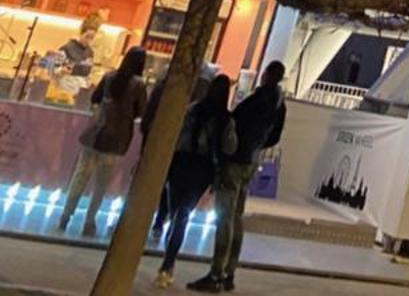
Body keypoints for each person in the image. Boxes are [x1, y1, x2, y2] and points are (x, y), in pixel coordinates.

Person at [188, 60, 285, 293]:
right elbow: (275, 137)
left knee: (225, 217)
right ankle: (229, 272)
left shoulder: (255, 101)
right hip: (251, 161)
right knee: (238, 217)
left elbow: (234, 127)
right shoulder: (279, 105)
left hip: (235, 162)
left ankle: (215, 273)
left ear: (266, 75)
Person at [57, 46, 149, 237]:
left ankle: (65, 216)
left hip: (95, 134)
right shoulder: (139, 85)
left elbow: (95, 98)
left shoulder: (109, 77)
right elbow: (141, 111)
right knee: (101, 184)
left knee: (80, 176)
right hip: (117, 139)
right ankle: (89, 222)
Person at [155, 75, 236, 288]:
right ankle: (168, 264)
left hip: (180, 163)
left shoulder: (193, 109)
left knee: (175, 213)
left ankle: (167, 261)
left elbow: (179, 135)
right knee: (183, 214)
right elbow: (230, 147)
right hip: (203, 169)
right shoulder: (225, 119)